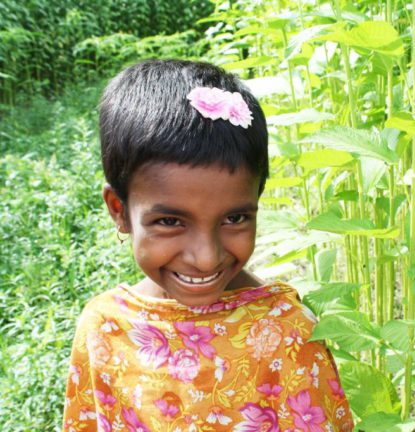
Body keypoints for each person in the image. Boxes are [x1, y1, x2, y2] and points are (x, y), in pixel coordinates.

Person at [62, 59, 354, 432]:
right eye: (170, 222)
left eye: (234, 219)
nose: (206, 257)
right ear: (119, 210)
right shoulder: (103, 329)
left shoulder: (289, 333)